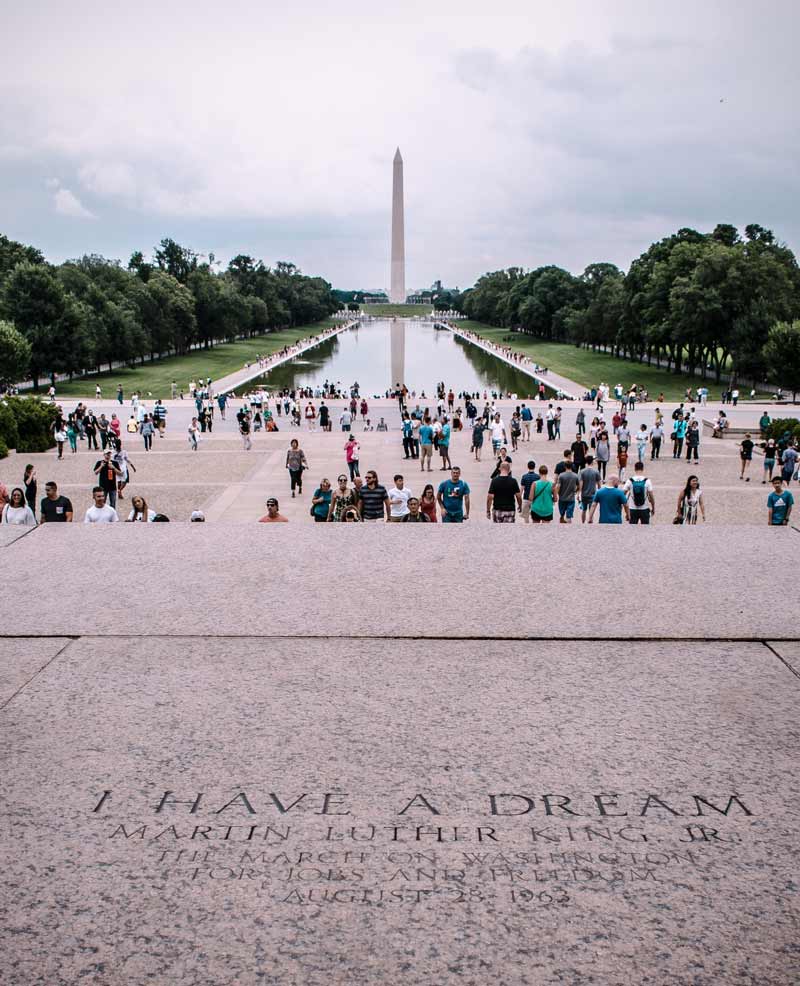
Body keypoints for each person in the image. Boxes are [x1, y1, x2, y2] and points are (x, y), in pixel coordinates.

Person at [577, 455, 601, 525]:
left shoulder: (582, 471)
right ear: (592, 462)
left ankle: (583, 522)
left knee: (584, 510)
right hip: (593, 494)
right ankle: (590, 521)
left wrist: (579, 493)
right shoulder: (596, 472)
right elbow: (599, 484)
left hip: (584, 494)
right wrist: (599, 492)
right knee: (591, 510)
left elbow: (581, 483)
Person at [553, 460, 578, 524]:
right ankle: (568, 525)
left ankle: (562, 519)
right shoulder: (575, 476)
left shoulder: (561, 475)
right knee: (569, 516)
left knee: (562, 513)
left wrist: (556, 494)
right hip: (571, 498)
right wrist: (576, 491)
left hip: (562, 497)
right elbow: (579, 485)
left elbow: (558, 486)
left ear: (565, 466)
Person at [520, 460, 538, 524]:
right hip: (535, 499)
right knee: (535, 516)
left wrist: (519, 501)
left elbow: (522, 489)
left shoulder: (524, 476)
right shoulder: (537, 477)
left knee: (526, 517)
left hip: (526, 498)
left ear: (528, 467)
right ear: (534, 467)